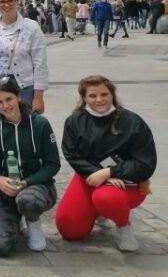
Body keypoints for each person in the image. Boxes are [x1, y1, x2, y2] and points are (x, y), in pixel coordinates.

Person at [55, 76, 157, 252]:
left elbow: (145, 163)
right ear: (84, 98)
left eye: (104, 94)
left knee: (106, 198)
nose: (99, 100)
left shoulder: (132, 121)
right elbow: (71, 154)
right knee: (70, 230)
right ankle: (97, 211)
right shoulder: (75, 121)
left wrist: (110, 173)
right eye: (92, 96)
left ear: (113, 95)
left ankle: (123, 226)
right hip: (90, 177)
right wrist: (97, 173)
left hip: (127, 182)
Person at [0, 79, 60, 256]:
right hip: (7, 190)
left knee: (27, 201)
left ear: (18, 96)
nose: (5, 105)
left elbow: (53, 164)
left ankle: (32, 221)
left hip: (37, 186)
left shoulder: (40, 123)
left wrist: (27, 182)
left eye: (9, 99)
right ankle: (15, 218)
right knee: (1, 247)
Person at [0, 0, 48, 113]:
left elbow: (40, 63)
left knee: (24, 126)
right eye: (1, 1)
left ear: (17, 2)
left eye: (10, 0)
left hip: (22, 85)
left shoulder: (31, 27)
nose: (6, 4)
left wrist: (38, 96)